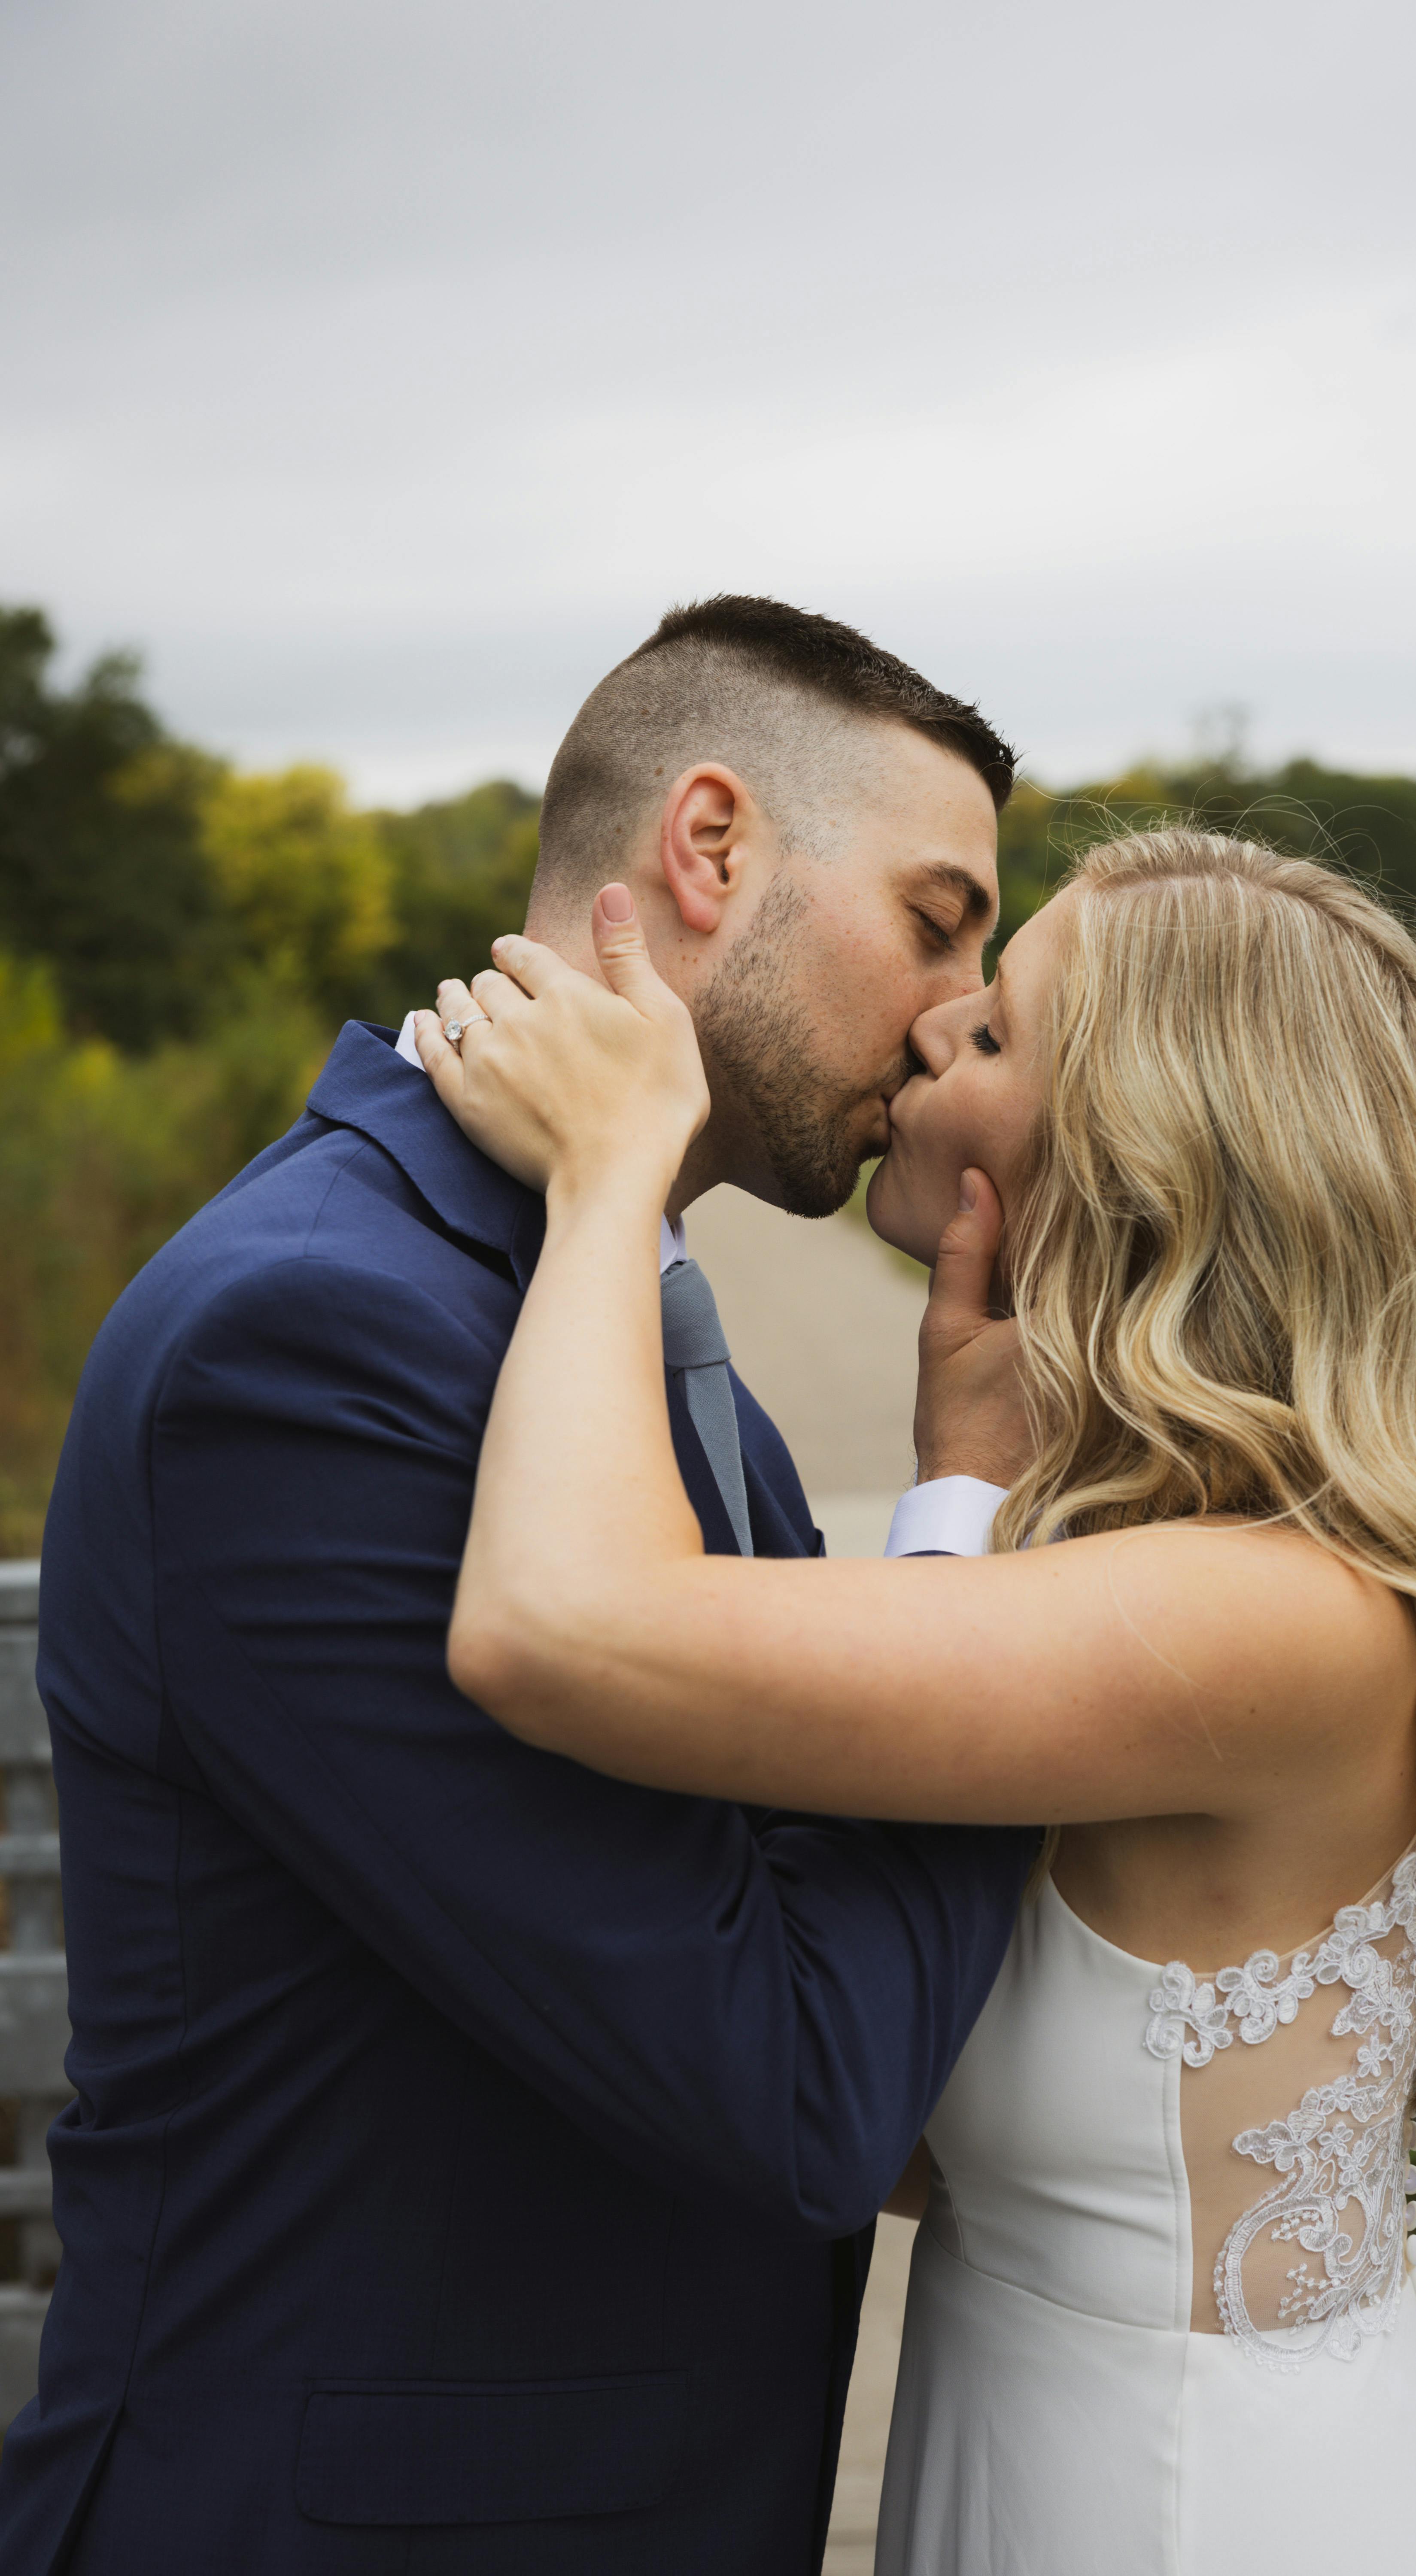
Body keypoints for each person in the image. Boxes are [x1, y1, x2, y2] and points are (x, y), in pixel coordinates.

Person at [414, 825, 1416, 2576]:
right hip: (1053, 2466)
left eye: (995, 1033)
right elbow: (909, 2071)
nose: (931, 1031)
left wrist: (610, 1178)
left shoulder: (1268, 1620)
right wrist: (956, 1479)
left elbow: (554, 1622)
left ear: (1144, 1161)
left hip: (1210, 2513)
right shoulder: (1139, 1569)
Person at [0, 598, 1039, 2575]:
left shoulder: (603, 1274)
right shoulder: (311, 1344)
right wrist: (963, 1517)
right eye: (935, 918)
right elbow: (793, 2080)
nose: (946, 1010)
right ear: (712, 851)